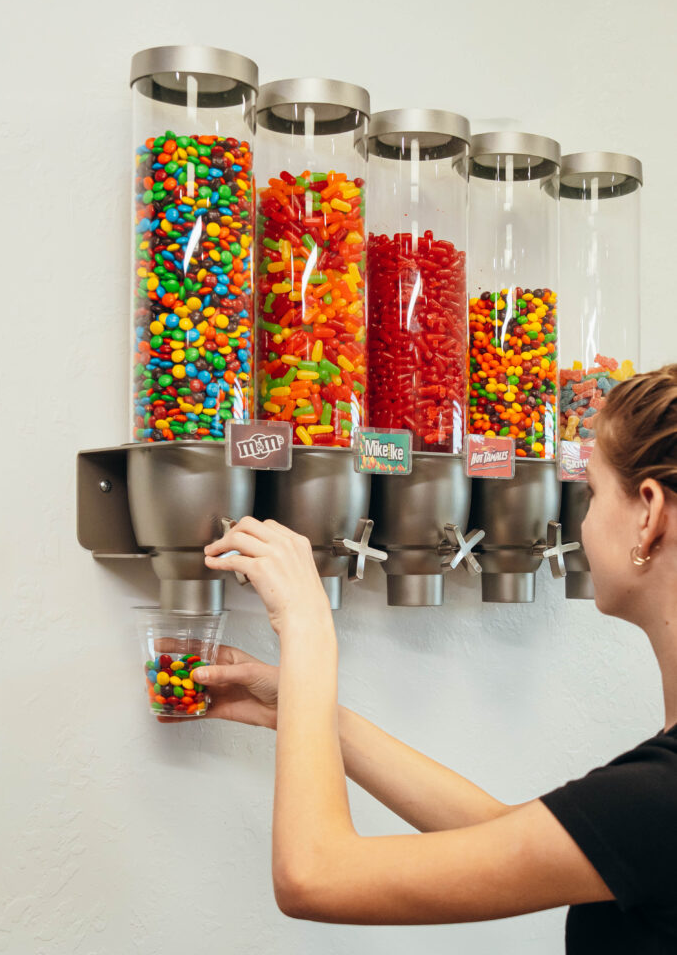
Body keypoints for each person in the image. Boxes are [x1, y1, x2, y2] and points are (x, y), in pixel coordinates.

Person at [186, 365, 677, 952]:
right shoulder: (650, 802)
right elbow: (509, 834)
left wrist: (307, 625)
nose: (582, 521)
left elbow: (314, 875)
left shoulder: (658, 798)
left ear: (647, 514)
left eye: (592, 494)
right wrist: (296, 706)